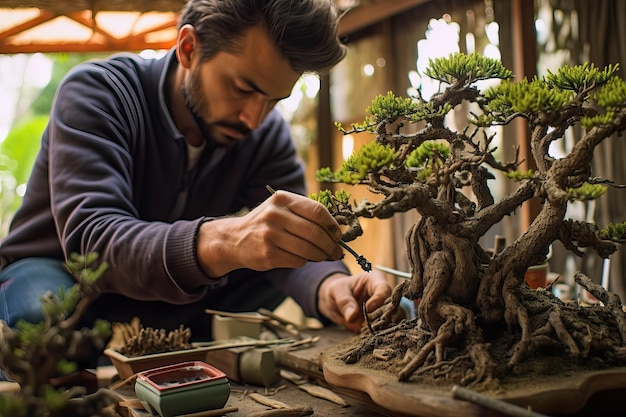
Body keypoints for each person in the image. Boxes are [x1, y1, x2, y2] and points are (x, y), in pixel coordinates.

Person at [0, 0, 391, 361]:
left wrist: (329, 287)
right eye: (242, 89)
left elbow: (290, 249)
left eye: (274, 100)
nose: (254, 119)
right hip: (65, 274)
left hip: (174, 294)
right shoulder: (99, 93)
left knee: (287, 273)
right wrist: (227, 240)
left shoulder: (264, 134)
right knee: (40, 318)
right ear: (189, 48)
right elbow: (94, 243)